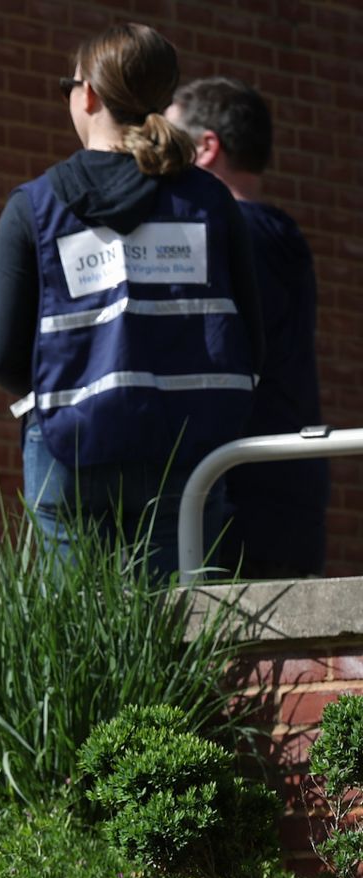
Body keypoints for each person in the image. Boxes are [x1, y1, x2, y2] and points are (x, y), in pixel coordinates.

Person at [0, 23, 263, 581]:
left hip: (70, 447)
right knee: (179, 643)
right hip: (187, 451)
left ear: (89, 94)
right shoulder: (210, 202)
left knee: (76, 650)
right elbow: (251, 340)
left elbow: (0, 357)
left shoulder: (34, 207)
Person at [169, 77, 327, 579]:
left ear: (205, 147)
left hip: (238, 496)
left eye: (169, 141)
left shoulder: (229, 235)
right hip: (281, 493)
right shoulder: (282, 236)